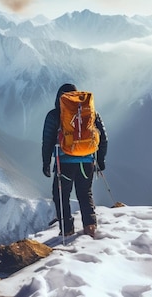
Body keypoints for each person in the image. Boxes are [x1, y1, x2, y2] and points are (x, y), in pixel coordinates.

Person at [41, 83, 108, 237]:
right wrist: (101, 160)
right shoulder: (90, 113)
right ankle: (90, 228)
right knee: (85, 193)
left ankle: (67, 230)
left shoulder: (54, 115)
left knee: (61, 195)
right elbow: (103, 138)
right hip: (87, 162)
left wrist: (46, 163)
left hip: (63, 164)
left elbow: (47, 141)